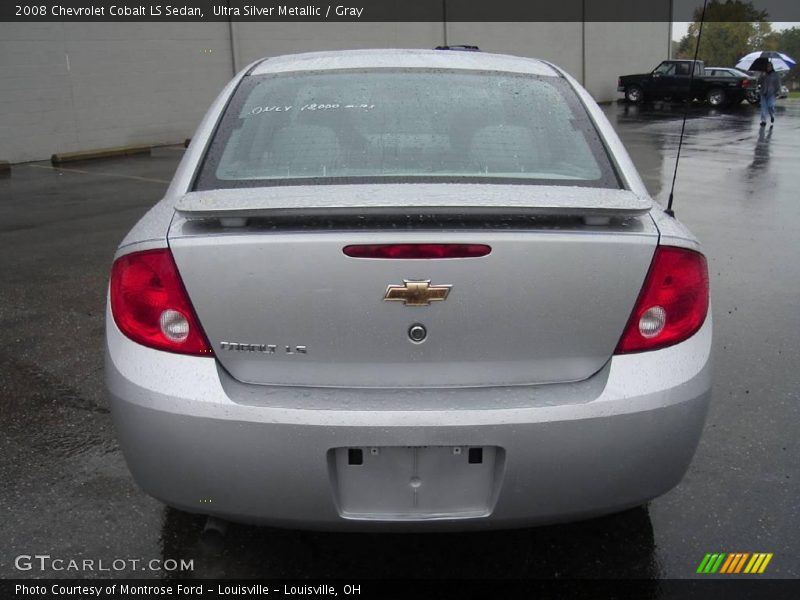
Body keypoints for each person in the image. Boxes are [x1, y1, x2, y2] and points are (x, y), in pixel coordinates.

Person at [758, 62, 781, 127]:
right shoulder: (763, 74)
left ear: (772, 67)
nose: (768, 68)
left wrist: (778, 92)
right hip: (763, 93)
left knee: (770, 106)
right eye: (767, 66)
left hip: (772, 93)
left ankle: (772, 115)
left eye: (769, 66)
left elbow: (778, 84)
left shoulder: (775, 74)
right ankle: (763, 121)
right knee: (763, 107)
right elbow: (758, 82)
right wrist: (761, 76)